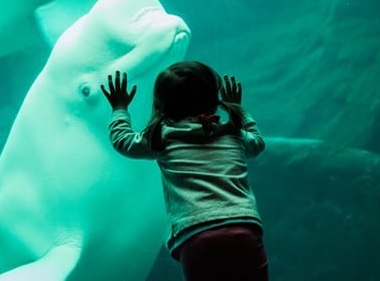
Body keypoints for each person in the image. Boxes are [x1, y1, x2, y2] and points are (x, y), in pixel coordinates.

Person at [100, 60, 268, 281]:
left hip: (196, 235)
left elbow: (123, 141)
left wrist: (120, 108)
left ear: (162, 104)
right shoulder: (233, 133)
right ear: (214, 99)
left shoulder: (161, 136)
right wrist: (239, 110)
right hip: (242, 227)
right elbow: (258, 143)